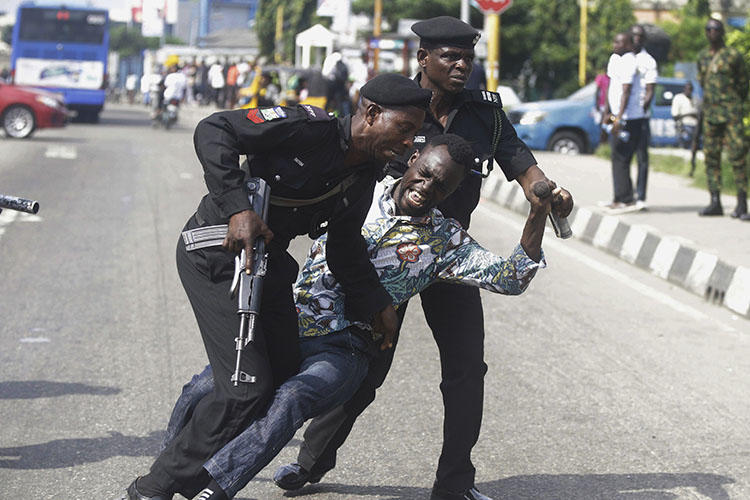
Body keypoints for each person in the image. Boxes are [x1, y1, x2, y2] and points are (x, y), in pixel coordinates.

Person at [275, 16, 573, 500]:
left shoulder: (486, 115)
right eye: (450, 57)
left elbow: (522, 163)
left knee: (465, 369)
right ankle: (311, 462)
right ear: (423, 59)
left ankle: (454, 482)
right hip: (391, 259)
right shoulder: (398, 106)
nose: (461, 66)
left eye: (467, 58)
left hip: (451, 259)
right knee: (366, 366)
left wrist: (547, 193)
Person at [158, 133, 552, 500]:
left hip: (345, 350)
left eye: (442, 186)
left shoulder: (445, 240)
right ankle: (167, 472)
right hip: (285, 324)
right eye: (426, 174)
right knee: (203, 388)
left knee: (291, 398)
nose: (427, 187)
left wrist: (537, 212)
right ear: (412, 160)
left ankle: (215, 487)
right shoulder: (357, 191)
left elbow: (511, 277)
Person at [116, 73, 431, 500]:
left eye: (416, 133)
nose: (411, 142)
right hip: (219, 253)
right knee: (245, 386)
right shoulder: (307, 128)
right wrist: (237, 207)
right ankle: (154, 488)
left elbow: (344, 249)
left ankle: (186, 473)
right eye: (405, 129)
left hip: (266, 263)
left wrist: (378, 304)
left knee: (281, 372)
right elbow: (214, 129)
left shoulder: (362, 176)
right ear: (372, 114)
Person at [696, 18, 750, 219]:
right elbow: (702, 82)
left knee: (738, 156)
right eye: (709, 29)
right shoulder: (702, 57)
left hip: (731, 113)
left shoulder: (733, 56)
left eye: (716, 30)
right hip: (711, 115)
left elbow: (743, 84)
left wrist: (733, 103)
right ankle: (715, 201)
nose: (712, 33)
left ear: (722, 32)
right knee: (711, 157)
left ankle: (742, 203)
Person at [602, 32, 644, 213]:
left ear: (628, 44)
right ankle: (618, 197)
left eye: (620, 42)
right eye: (614, 41)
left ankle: (626, 199)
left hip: (629, 117)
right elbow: (611, 88)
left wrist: (619, 117)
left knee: (622, 156)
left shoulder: (629, 61)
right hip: (615, 114)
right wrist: (606, 111)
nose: (615, 44)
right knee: (616, 156)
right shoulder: (614, 59)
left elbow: (626, 91)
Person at [630, 24, 658, 208]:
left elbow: (650, 90)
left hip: (640, 117)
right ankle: (624, 195)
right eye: (634, 35)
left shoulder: (648, 61)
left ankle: (640, 196)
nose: (636, 39)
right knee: (622, 159)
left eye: (640, 36)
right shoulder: (624, 58)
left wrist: (642, 110)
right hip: (624, 116)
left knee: (642, 157)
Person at [671, 81, 699, 149]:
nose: (689, 91)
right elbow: (675, 115)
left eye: (690, 89)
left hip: (695, 125)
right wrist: (689, 114)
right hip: (683, 124)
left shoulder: (695, 99)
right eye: (687, 89)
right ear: (684, 89)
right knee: (685, 141)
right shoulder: (679, 98)